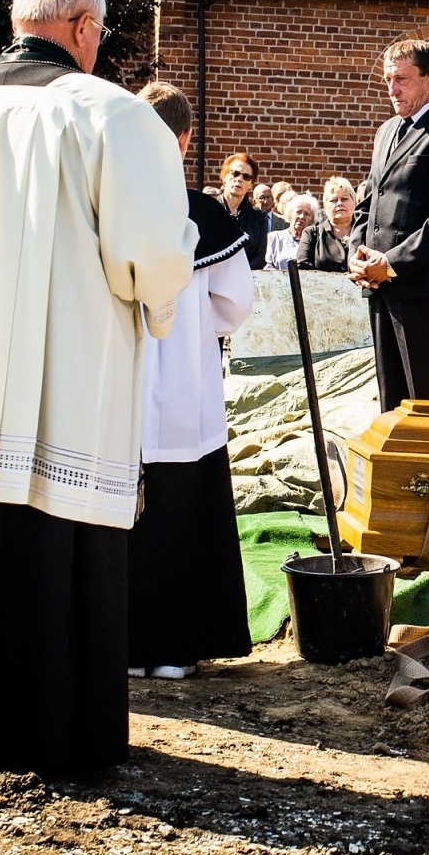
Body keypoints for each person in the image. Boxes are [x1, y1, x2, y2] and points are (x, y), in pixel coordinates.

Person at [0, 0, 195, 776]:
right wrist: (155, 301)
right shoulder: (115, 115)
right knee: (56, 519)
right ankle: (58, 728)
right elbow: (153, 253)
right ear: (85, 29)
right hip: (71, 363)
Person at [130, 81, 254, 680]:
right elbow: (235, 303)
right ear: (184, 141)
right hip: (185, 392)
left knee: (123, 518)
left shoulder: (108, 207)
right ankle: (176, 651)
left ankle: (124, 646)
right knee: (182, 519)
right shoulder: (205, 214)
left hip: (120, 396)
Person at [349, 38, 429, 407]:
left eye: (402, 79)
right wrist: (356, 255)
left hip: (419, 290)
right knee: (391, 399)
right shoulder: (387, 130)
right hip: (377, 288)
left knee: (427, 398)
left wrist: (389, 264)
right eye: (388, 79)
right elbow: (367, 202)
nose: (392, 89)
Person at [218, 153, 269, 270]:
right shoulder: (209, 210)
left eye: (246, 177)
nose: (239, 179)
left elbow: (260, 257)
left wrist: (239, 273)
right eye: (235, 173)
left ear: (250, 184)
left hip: (244, 280)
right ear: (224, 176)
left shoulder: (258, 217)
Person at [297, 176, 355, 272]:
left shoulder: (365, 231)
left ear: (355, 202)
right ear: (325, 206)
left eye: (344, 199)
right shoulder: (311, 234)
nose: (339, 203)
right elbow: (302, 268)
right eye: (333, 200)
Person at [265, 194, 315, 269]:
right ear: (290, 214)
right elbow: (269, 267)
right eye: (298, 212)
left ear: (312, 220)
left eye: (307, 214)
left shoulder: (315, 241)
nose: (302, 217)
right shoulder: (274, 238)